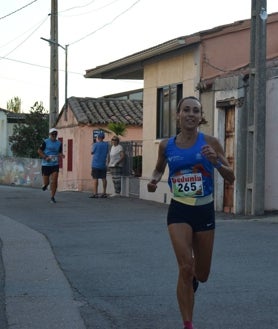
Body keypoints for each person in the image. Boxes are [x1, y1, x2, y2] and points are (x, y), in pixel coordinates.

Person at [147, 96, 235, 329]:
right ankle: (188, 323)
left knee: (202, 274)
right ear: (178, 114)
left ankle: (194, 277)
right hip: (179, 210)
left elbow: (231, 176)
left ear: (200, 117)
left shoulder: (211, 143)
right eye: (186, 110)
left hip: (204, 210)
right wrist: (153, 182)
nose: (190, 114)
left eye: (195, 111)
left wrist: (216, 162)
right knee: (185, 267)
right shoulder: (167, 145)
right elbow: (158, 170)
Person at [38, 128, 65, 203]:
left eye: (55, 134)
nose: (54, 135)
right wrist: (45, 157)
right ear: (49, 134)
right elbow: (39, 151)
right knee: (47, 182)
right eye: (52, 134)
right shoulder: (45, 142)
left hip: (55, 164)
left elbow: (59, 152)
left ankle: (52, 197)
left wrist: (61, 155)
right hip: (46, 164)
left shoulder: (59, 143)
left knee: (54, 180)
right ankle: (46, 185)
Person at [89, 131, 109, 198]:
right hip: (103, 163)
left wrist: (93, 145)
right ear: (103, 137)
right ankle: (104, 192)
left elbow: (92, 152)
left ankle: (95, 193)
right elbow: (107, 152)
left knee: (95, 178)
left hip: (95, 164)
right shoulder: (106, 144)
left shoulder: (95, 144)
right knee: (104, 178)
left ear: (98, 137)